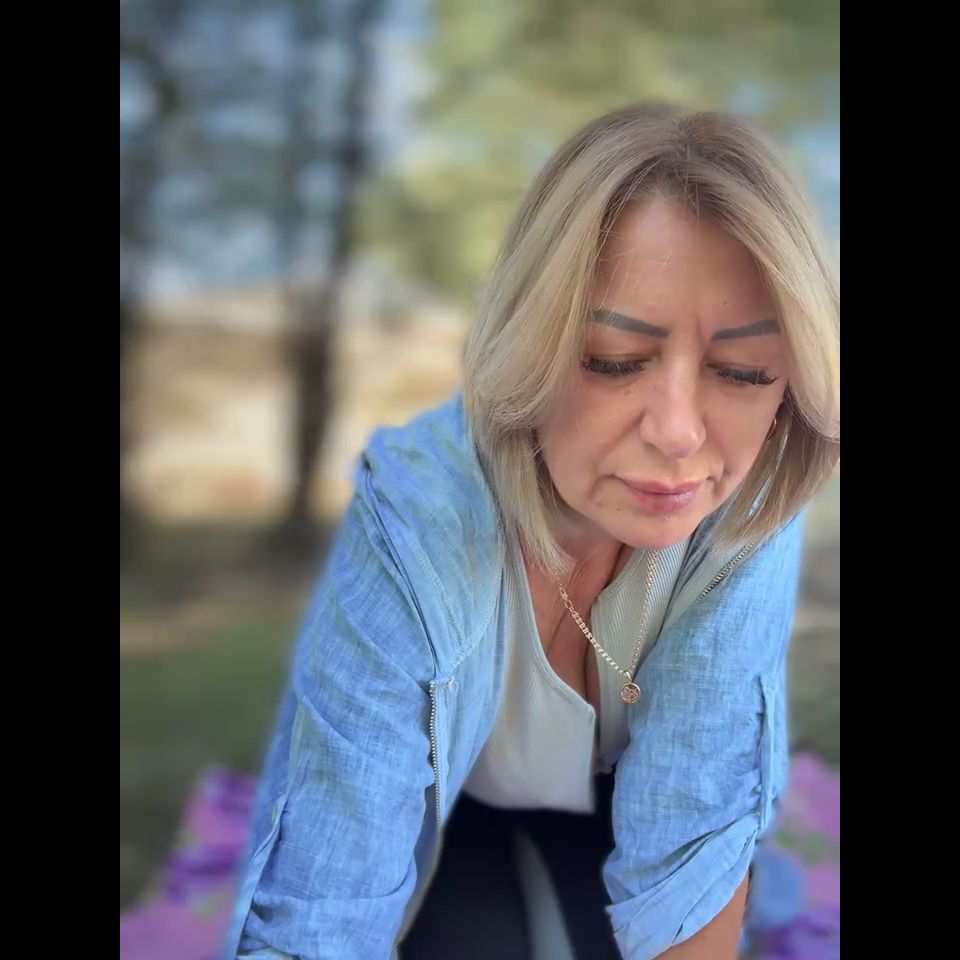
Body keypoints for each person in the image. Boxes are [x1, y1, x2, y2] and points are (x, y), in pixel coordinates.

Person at [222, 101, 840, 960]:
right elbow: (323, 914)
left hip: (615, 829)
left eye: (742, 372)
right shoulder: (419, 524)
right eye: (614, 361)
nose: (678, 433)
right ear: (530, 344)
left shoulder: (750, 494)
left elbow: (692, 847)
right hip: (451, 832)